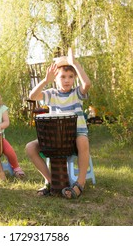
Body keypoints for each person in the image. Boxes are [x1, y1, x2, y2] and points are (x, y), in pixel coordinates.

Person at [25, 47, 91, 198]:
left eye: (70, 76)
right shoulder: (51, 94)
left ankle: (80, 183)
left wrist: (76, 64)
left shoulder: (76, 94)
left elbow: (87, 84)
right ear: (55, 79)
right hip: (56, 138)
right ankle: (51, 181)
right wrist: (45, 80)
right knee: (30, 148)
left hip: (75, 135)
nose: (67, 80)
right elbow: (32, 95)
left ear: (74, 78)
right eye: (62, 77)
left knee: (82, 141)